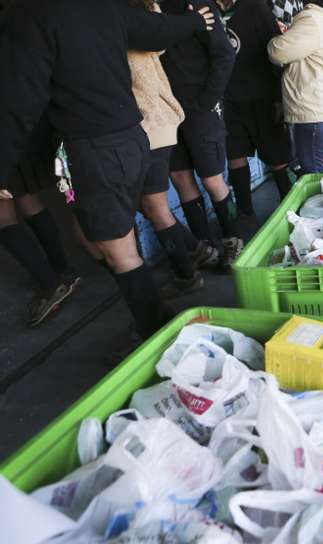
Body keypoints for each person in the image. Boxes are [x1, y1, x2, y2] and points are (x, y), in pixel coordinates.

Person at [0, 0, 216, 343]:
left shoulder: (31, 14)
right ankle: (157, 318)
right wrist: (191, 20)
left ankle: (159, 334)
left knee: (120, 251)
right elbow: (153, 29)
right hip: (129, 141)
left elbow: (20, 104)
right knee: (91, 235)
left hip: (98, 151)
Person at [129, 0, 214, 298]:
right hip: (153, 120)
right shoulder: (145, 14)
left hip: (151, 121)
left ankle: (188, 272)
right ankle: (197, 251)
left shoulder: (133, 18)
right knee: (149, 204)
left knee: (155, 207)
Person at [159, 0, 241, 269]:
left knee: (211, 178)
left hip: (200, 107)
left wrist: (207, 101)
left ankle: (233, 241)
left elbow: (225, 54)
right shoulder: (146, 9)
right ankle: (205, 247)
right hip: (165, 110)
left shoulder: (197, 5)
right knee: (180, 177)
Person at [217, 0, 295, 215]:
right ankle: (245, 214)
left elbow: (275, 52)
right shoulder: (207, 10)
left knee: (277, 157)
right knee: (235, 156)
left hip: (262, 95)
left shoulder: (255, 7)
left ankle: (290, 211)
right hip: (227, 98)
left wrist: (279, 98)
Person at [0, 122, 79, 326]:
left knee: (3, 216)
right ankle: (62, 269)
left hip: (6, 140)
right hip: (16, 135)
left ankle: (50, 283)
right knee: (28, 198)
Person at [269, 0, 323, 172]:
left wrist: (276, 39)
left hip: (318, 110)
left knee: (320, 177)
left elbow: (278, 52)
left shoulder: (313, 19)